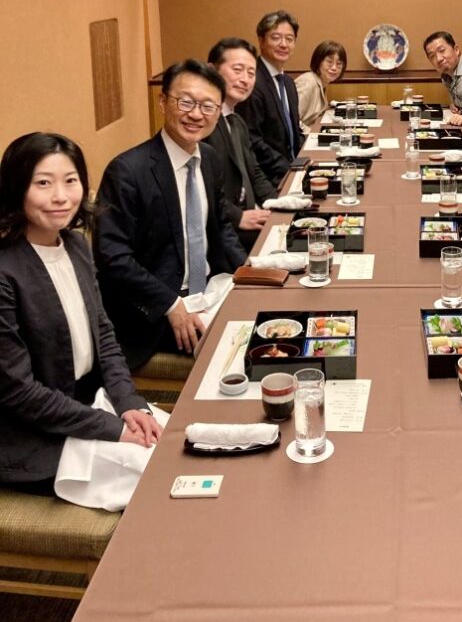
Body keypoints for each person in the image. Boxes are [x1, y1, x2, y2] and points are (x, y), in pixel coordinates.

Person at [0, 133, 162, 494]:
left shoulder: (74, 245)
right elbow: (18, 392)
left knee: (179, 446)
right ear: (17, 188)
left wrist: (128, 401)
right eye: (43, 183)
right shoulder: (5, 270)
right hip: (32, 436)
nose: (61, 196)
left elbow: (104, 334)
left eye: (70, 181)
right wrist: (113, 428)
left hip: (87, 404)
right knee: (161, 480)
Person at [94, 59, 247, 369]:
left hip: (210, 291)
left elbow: (221, 229)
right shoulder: (128, 171)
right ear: (163, 102)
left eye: (207, 106)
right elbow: (113, 257)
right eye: (186, 102)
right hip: (156, 310)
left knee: (276, 324)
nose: (195, 114)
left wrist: (247, 272)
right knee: (237, 354)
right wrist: (169, 303)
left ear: (219, 112)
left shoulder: (210, 160)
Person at [207, 38, 277, 251]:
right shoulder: (204, 124)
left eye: (251, 73)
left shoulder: (236, 121)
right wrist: (238, 217)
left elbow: (254, 173)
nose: (245, 79)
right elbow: (200, 187)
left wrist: (278, 204)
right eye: (237, 70)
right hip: (222, 229)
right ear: (212, 70)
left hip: (249, 215)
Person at [237, 10, 305, 186]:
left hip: (293, 171)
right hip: (268, 178)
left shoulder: (288, 83)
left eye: (289, 39)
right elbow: (251, 139)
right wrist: (289, 169)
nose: (283, 44)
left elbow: (294, 131)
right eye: (276, 37)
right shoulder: (252, 81)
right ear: (261, 40)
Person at [294, 40, 348, 132]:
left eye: (339, 64)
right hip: (300, 140)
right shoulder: (308, 82)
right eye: (329, 62)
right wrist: (314, 135)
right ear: (318, 62)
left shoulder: (322, 82)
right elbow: (292, 121)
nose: (334, 67)